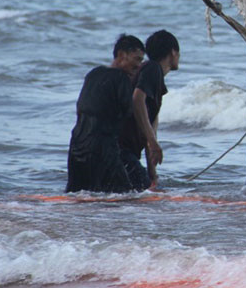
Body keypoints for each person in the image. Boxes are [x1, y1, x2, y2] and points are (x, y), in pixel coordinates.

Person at [66, 34, 145, 193]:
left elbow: (82, 105)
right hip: (101, 146)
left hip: (76, 145)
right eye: (137, 59)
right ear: (122, 55)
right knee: (124, 194)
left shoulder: (93, 73)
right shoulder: (121, 78)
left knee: (77, 195)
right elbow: (127, 112)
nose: (139, 66)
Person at [119, 29, 180, 190]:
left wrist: (152, 174)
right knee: (142, 195)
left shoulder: (153, 76)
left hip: (126, 152)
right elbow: (137, 98)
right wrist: (154, 143)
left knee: (145, 190)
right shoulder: (152, 69)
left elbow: (149, 131)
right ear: (173, 53)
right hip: (120, 150)